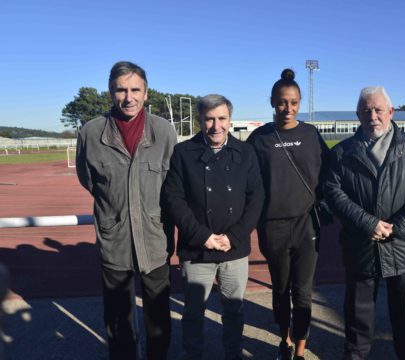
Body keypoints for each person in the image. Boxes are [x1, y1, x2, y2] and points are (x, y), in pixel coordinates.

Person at [323, 86, 405, 360]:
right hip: (361, 247)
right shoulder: (340, 153)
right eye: (366, 110)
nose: (372, 116)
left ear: (391, 112)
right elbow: (333, 192)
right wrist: (368, 223)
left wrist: (397, 227)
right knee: (357, 320)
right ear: (357, 114)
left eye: (377, 110)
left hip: (404, 246)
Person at [76, 61, 177, 360]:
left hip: (155, 238)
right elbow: (89, 179)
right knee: (118, 318)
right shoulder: (91, 133)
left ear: (146, 93)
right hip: (114, 240)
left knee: (158, 317)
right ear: (110, 92)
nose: (128, 97)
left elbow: (172, 183)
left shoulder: (164, 131)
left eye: (135, 89)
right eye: (121, 89)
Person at [163, 94, 264, 360]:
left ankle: (233, 353)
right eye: (209, 119)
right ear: (200, 120)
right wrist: (202, 236)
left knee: (234, 309)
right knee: (194, 311)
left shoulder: (245, 152)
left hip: (235, 247)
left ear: (230, 120)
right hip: (197, 249)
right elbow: (174, 199)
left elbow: (256, 198)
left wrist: (234, 236)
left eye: (221, 118)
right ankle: (193, 354)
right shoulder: (183, 152)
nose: (216, 125)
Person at [247, 69, 329, 360]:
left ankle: (301, 350)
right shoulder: (259, 138)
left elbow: (331, 173)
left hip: (307, 225)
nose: (288, 108)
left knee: (303, 292)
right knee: (280, 290)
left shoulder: (311, 134)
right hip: (272, 227)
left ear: (300, 103)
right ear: (272, 102)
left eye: (294, 102)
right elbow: (247, 181)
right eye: (282, 102)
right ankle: (284, 340)